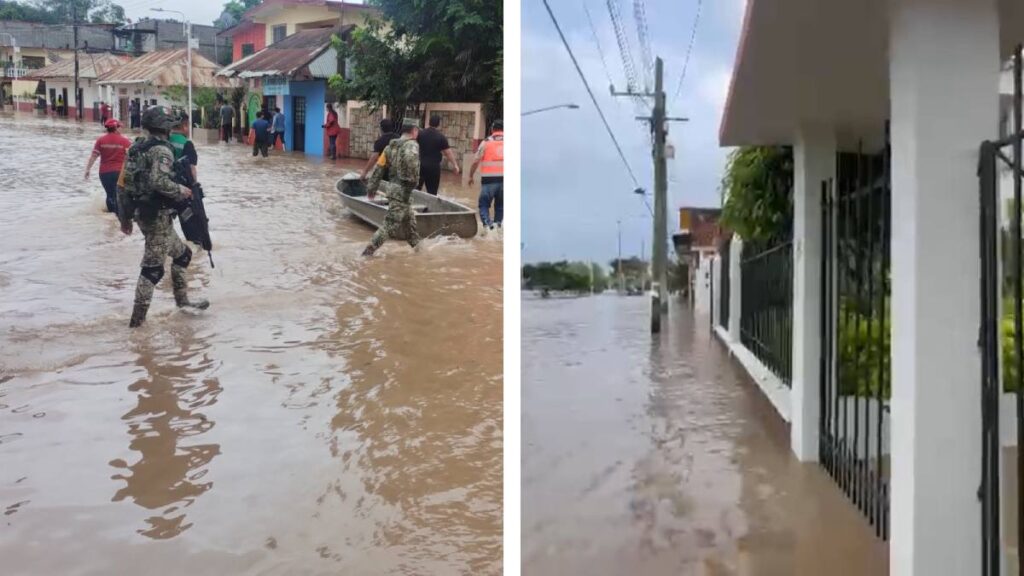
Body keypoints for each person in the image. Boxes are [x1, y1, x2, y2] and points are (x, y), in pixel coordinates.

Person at [117, 105, 209, 328]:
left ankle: (182, 303)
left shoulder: (137, 147)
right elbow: (159, 182)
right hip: (155, 215)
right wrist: (182, 190)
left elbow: (122, 184)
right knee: (153, 269)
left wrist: (125, 217)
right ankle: (137, 324)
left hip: (146, 213)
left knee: (183, 255)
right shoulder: (161, 151)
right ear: (165, 126)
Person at [362, 118, 422, 257]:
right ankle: (367, 252)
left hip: (396, 192)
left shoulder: (390, 147)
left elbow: (379, 168)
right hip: (402, 193)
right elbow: (410, 160)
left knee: (410, 228)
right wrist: (413, 181)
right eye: (417, 131)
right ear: (414, 131)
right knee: (389, 225)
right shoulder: (412, 145)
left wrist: (372, 188)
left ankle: (420, 253)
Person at [84, 118, 132, 213]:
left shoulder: (100, 140)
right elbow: (132, 157)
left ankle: (110, 218)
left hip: (104, 173)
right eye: (120, 127)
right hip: (120, 173)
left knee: (110, 195)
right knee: (120, 195)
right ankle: (119, 217)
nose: (121, 129)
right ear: (116, 128)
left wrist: (87, 169)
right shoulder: (125, 141)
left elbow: (93, 156)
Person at [469, 119, 504, 231]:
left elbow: (475, 161)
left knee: (483, 205)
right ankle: (498, 226)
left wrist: (471, 175)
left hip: (489, 181)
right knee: (500, 206)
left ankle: (488, 227)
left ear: (492, 129)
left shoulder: (486, 142)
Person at [416, 114, 460, 196]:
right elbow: (448, 153)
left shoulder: (420, 134)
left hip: (420, 165)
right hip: (433, 168)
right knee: (432, 193)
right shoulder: (440, 137)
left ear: (429, 122)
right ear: (438, 124)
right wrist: (455, 165)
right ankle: (429, 208)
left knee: (416, 189)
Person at [169, 112, 199, 182]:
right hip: (181, 185)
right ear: (184, 125)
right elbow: (192, 169)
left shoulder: (165, 139)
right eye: (188, 125)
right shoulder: (187, 144)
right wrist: (195, 186)